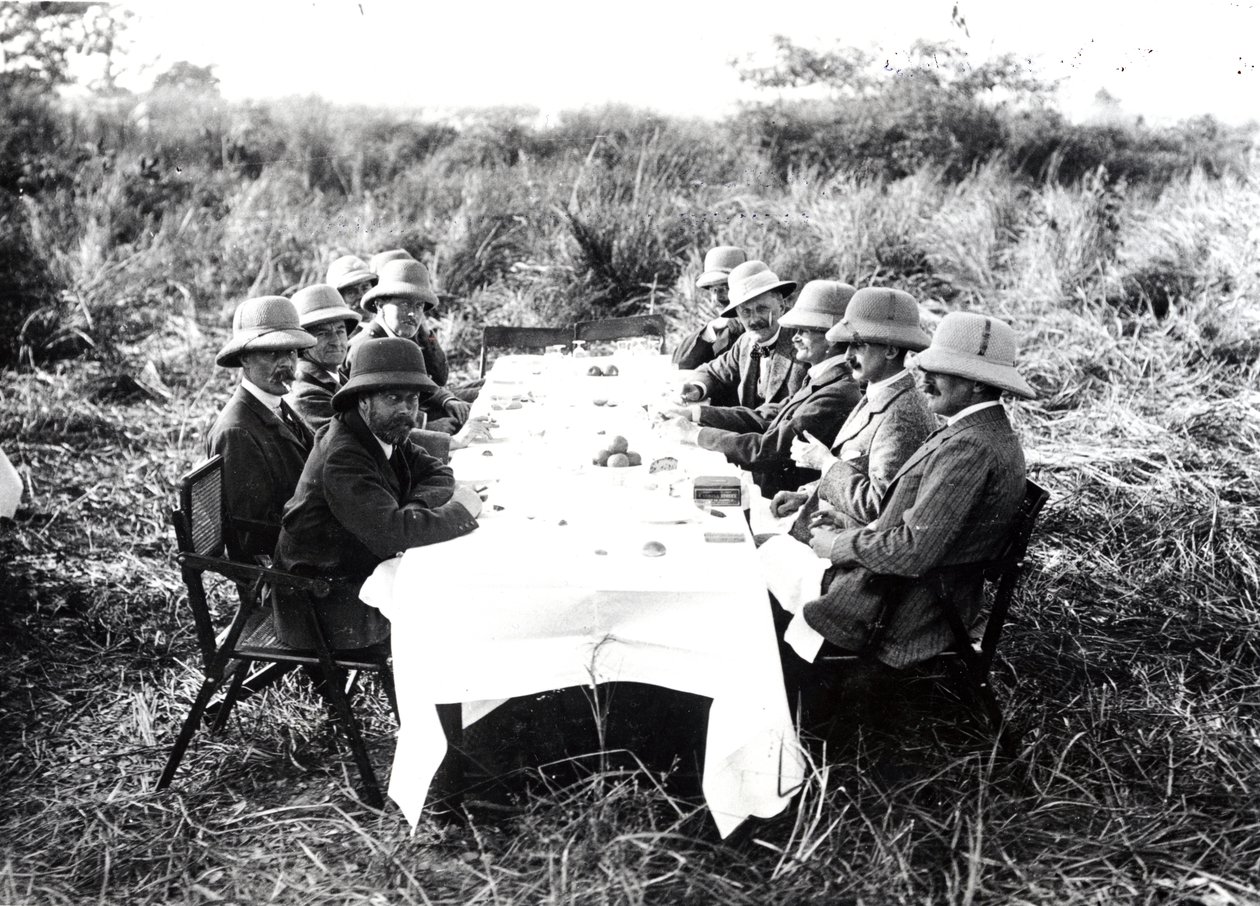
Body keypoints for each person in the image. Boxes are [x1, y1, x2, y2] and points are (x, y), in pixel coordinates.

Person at [763, 311, 1035, 676]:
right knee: (766, 553)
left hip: (899, 605)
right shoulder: (975, 431)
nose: (924, 380)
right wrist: (847, 523)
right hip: (903, 588)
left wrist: (839, 545)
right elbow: (915, 517)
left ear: (978, 385)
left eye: (941, 371)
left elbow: (912, 550)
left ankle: (788, 688)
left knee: (758, 563)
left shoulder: (970, 447)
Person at [273, 337, 482, 650]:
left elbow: (438, 472)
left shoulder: (382, 430)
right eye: (393, 398)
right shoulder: (344, 453)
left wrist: (413, 507)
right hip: (322, 603)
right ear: (363, 400)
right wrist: (461, 512)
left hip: (353, 572)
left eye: (412, 400)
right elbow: (394, 535)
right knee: (456, 606)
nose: (405, 410)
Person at [663, 281, 861, 497]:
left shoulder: (834, 387)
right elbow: (766, 418)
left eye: (803, 330)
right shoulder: (818, 376)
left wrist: (696, 434)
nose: (795, 336)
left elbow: (771, 450)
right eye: (745, 312)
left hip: (784, 492)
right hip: (771, 481)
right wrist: (695, 414)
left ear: (831, 338)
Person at [771, 287, 937, 541]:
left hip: (845, 550)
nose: (847, 355)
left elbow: (879, 507)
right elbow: (857, 472)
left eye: (858, 345)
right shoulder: (877, 391)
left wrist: (826, 463)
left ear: (891, 351)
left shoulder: (901, 414)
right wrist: (806, 494)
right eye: (847, 345)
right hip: (825, 529)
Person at [288, 284, 488, 460]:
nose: (336, 341)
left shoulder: (330, 374)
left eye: (340, 331)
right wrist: (449, 442)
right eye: (322, 333)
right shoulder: (307, 391)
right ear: (304, 342)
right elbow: (363, 438)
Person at [207, 296, 316, 563]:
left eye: (291, 353)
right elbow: (252, 535)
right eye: (271, 353)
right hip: (289, 572)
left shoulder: (278, 407)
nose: (286, 364)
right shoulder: (237, 430)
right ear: (245, 359)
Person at [671, 260, 808, 426]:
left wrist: (699, 413)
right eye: (746, 312)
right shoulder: (746, 343)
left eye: (762, 309)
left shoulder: (804, 346)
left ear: (781, 304)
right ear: (737, 314)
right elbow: (712, 372)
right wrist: (697, 388)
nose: (754, 320)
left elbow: (782, 413)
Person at [344, 260, 471, 435]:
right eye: (404, 304)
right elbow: (371, 415)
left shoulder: (400, 339)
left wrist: (446, 400)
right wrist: (426, 426)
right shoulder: (367, 347)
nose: (413, 314)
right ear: (380, 305)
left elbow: (421, 381)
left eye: (419, 306)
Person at [672, 246, 749, 384]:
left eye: (725, 289)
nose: (718, 299)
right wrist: (709, 331)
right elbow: (679, 365)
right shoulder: (718, 331)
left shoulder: (764, 327)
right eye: (713, 290)